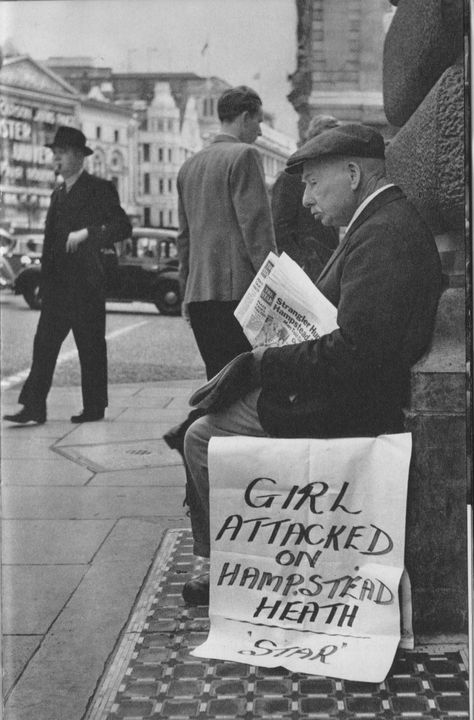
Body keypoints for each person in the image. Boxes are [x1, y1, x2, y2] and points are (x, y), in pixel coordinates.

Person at [180, 122, 443, 605]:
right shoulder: (380, 223)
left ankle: (245, 567)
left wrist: (266, 360)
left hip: (352, 407)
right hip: (350, 392)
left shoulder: (381, 234)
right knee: (206, 411)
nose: (304, 199)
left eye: (313, 183)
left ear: (352, 174)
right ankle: (233, 556)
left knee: (201, 434)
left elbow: (356, 352)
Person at [163, 86, 277, 454]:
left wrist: (185, 293)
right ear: (244, 117)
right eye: (258, 121)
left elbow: (184, 239)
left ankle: (198, 445)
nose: (259, 130)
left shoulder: (188, 166)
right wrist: (274, 286)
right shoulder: (244, 156)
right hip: (238, 293)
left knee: (220, 380)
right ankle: (194, 431)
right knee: (244, 386)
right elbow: (256, 229)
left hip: (200, 294)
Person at [3, 126, 132, 425]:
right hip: (58, 288)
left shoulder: (99, 189)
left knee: (90, 348)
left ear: (77, 156)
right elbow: (50, 245)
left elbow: (122, 226)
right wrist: (45, 284)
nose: (55, 160)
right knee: (43, 347)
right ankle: (33, 407)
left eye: (60, 154)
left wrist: (89, 233)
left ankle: (94, 407)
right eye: (54, 155)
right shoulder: (57, 194)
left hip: (87, 285)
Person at [271, 114, 340, 281]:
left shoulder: (331, 175)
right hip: (304, 271)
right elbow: (279, 227)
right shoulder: (290, 178)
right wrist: (299, 264)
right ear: (314, 142)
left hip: (327, 265)